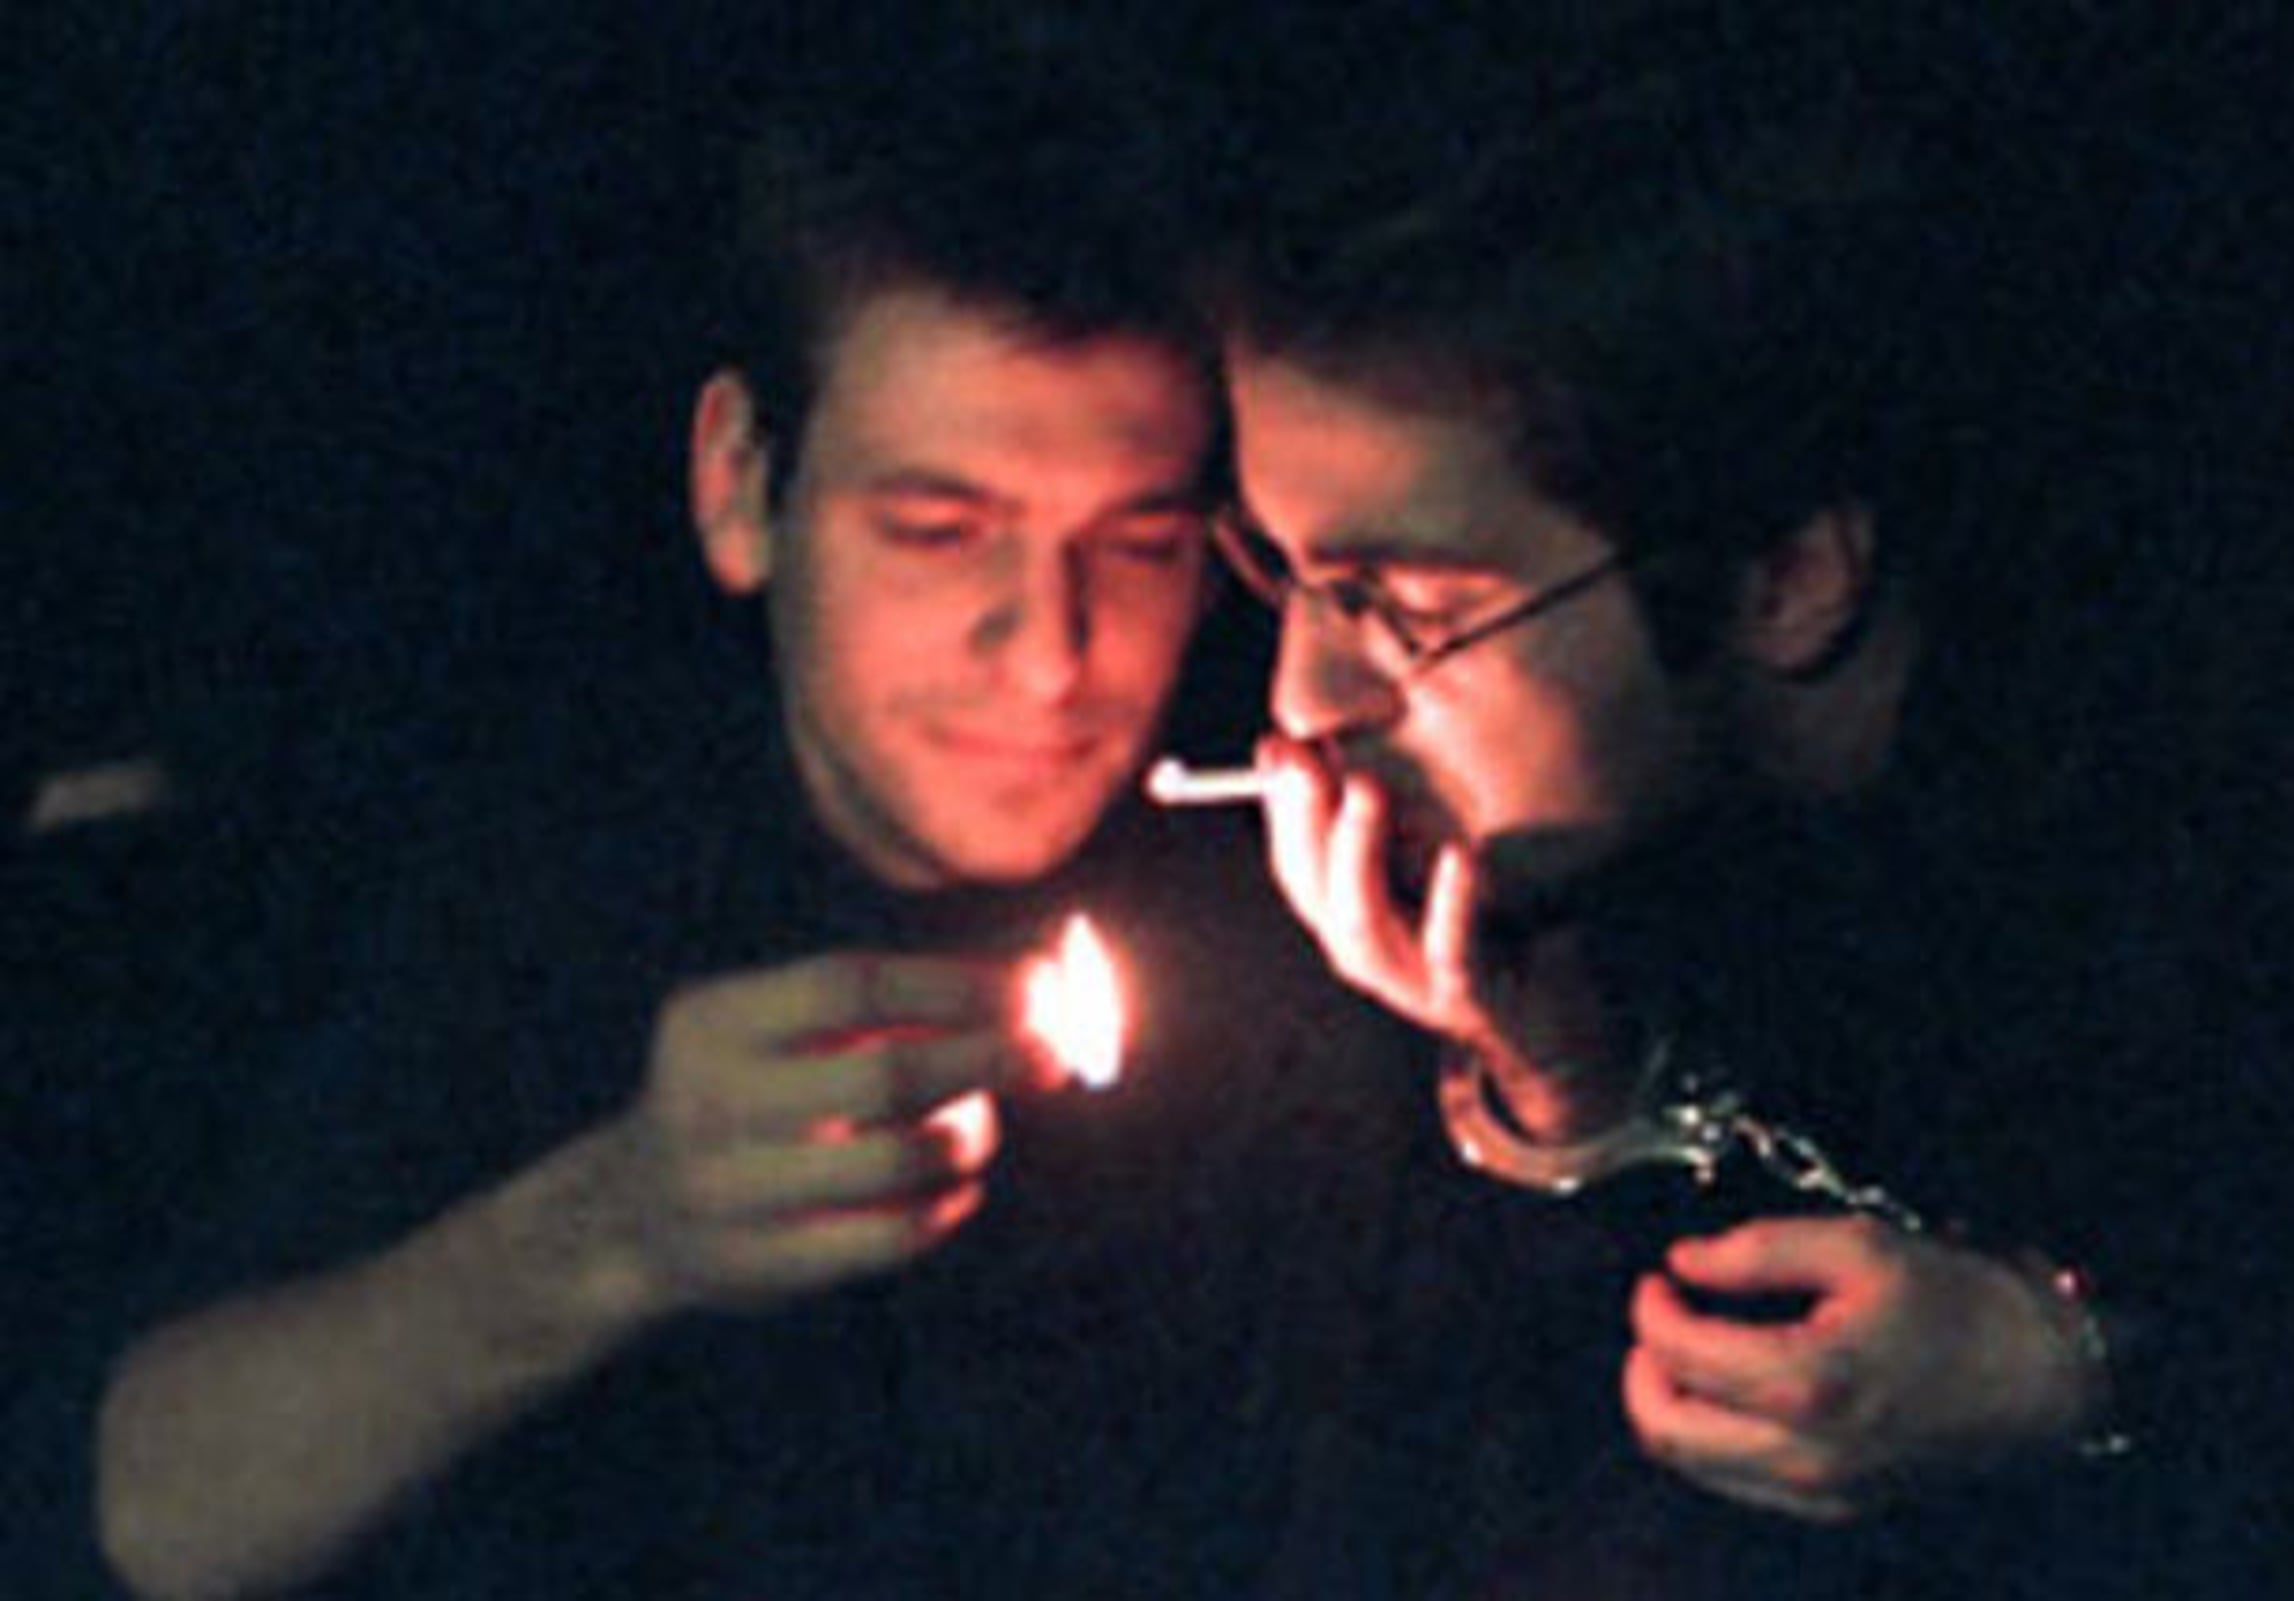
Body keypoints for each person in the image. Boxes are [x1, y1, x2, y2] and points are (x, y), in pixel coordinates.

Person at [89, 45, 1393, 1599]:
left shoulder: (1321, 915)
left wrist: (1539, 1080)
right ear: (737, 485)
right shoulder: (552, 867)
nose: (1052, 654)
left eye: (1137, 544)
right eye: (938, 529)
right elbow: (134, 1516)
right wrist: (622, 1223)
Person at [1206, 10, 2294, 1597]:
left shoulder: (2280, 811)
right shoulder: (1570, 882)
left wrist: (2079, 1375)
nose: (1300, 700)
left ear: (1784, 579)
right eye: (1280, 569)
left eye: (1406, 608)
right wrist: (1559, 1086)